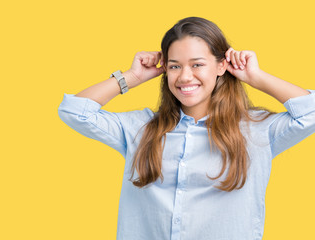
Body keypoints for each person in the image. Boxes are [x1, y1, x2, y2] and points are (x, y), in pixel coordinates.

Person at [58, 16, 315, 240]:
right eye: (174, 66)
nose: (184, 77)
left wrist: (257, 77)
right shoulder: (140, 129)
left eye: (197, 64)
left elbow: (310, 112)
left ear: (221, 66)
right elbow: (74, 111)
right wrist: (131, 77)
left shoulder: (255, 131)